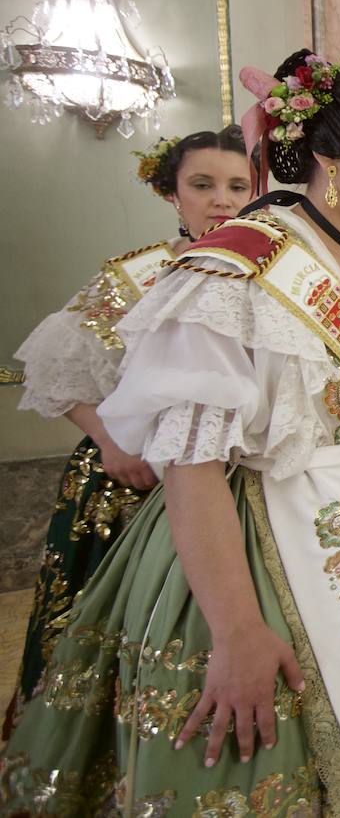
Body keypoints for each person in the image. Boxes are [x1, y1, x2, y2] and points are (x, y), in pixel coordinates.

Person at [0, 50, 340, 815]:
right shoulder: (229, 276)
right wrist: (238, 630)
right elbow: (194, 467)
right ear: (331, 158)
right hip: (267, 544)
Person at [5, 127, 251, 732]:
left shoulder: (259, 274)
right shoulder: (141, 275)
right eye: (203, 184)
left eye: (238, 186)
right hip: (132, 482)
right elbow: (52, 364)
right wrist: (111, 443)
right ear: (173, 193)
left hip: (226, 482)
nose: (222, 199)